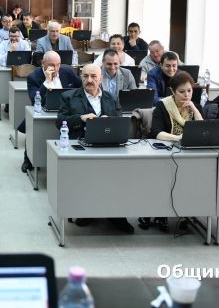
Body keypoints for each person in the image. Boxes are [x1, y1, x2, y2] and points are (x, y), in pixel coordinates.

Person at [56, 64, 132, 234]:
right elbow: (60, 122)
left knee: (120, 175)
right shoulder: (68, 97)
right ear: (81, 77)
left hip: (108, 146)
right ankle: (87, 211)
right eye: (85, 76)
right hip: (80, 145)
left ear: (101, 78)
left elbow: (120, 122)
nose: (89, 80)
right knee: (87, 176)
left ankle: (116, 214)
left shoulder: (111, 97)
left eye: (93, 76)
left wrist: (108, 121)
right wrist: (80, 118)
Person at [141, 71, 203, 233]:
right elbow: (155, 132)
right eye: (182, 91)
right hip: (165, 153)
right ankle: (160, 214)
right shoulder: (163, 105)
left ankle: (186, 210)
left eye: (189, 91)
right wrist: (177, 138)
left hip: (188, 154)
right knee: (165, 178)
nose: (186, 95)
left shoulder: (193, 105)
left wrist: (194, 109)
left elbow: (203, 129)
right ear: (173, 91)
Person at [20, 51, 82, 173]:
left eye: (58, 65)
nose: (56, 68)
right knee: (34, 129)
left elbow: (81, 87)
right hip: (43, 111)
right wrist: (47, 82)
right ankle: (28, 159)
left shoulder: (67, 72)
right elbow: (35, 99)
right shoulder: (33, 77)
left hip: (65, 111)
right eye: (52, 65)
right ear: (43, 63)